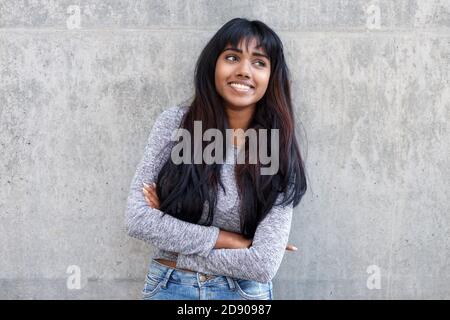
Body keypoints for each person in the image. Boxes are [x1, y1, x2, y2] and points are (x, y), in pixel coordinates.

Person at [125, 17, 307, 300]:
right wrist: (234, 241)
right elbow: (138, 220)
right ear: (213, 65)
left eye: (259, 62)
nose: (244, 71)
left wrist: (175, 247)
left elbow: (262, 264)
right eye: (232, 57)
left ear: (272, 77)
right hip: (170, 288)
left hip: (243, 294)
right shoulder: (177, 125)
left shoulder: (276, 145)